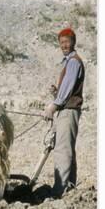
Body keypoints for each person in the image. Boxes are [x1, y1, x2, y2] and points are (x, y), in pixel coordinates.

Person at [43, 28, 85, 197]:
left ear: (73, 42)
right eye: (61, 43)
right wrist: (56, 92)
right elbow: (67, 89)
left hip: (68, 110)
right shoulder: (69, 62)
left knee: (62, 149)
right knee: (67, 148)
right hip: (68, 110)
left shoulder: (73, 62)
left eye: (67, 42)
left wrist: (53, 106)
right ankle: (69, 188)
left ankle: (59, 190)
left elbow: (67, 90)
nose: (64, 45)